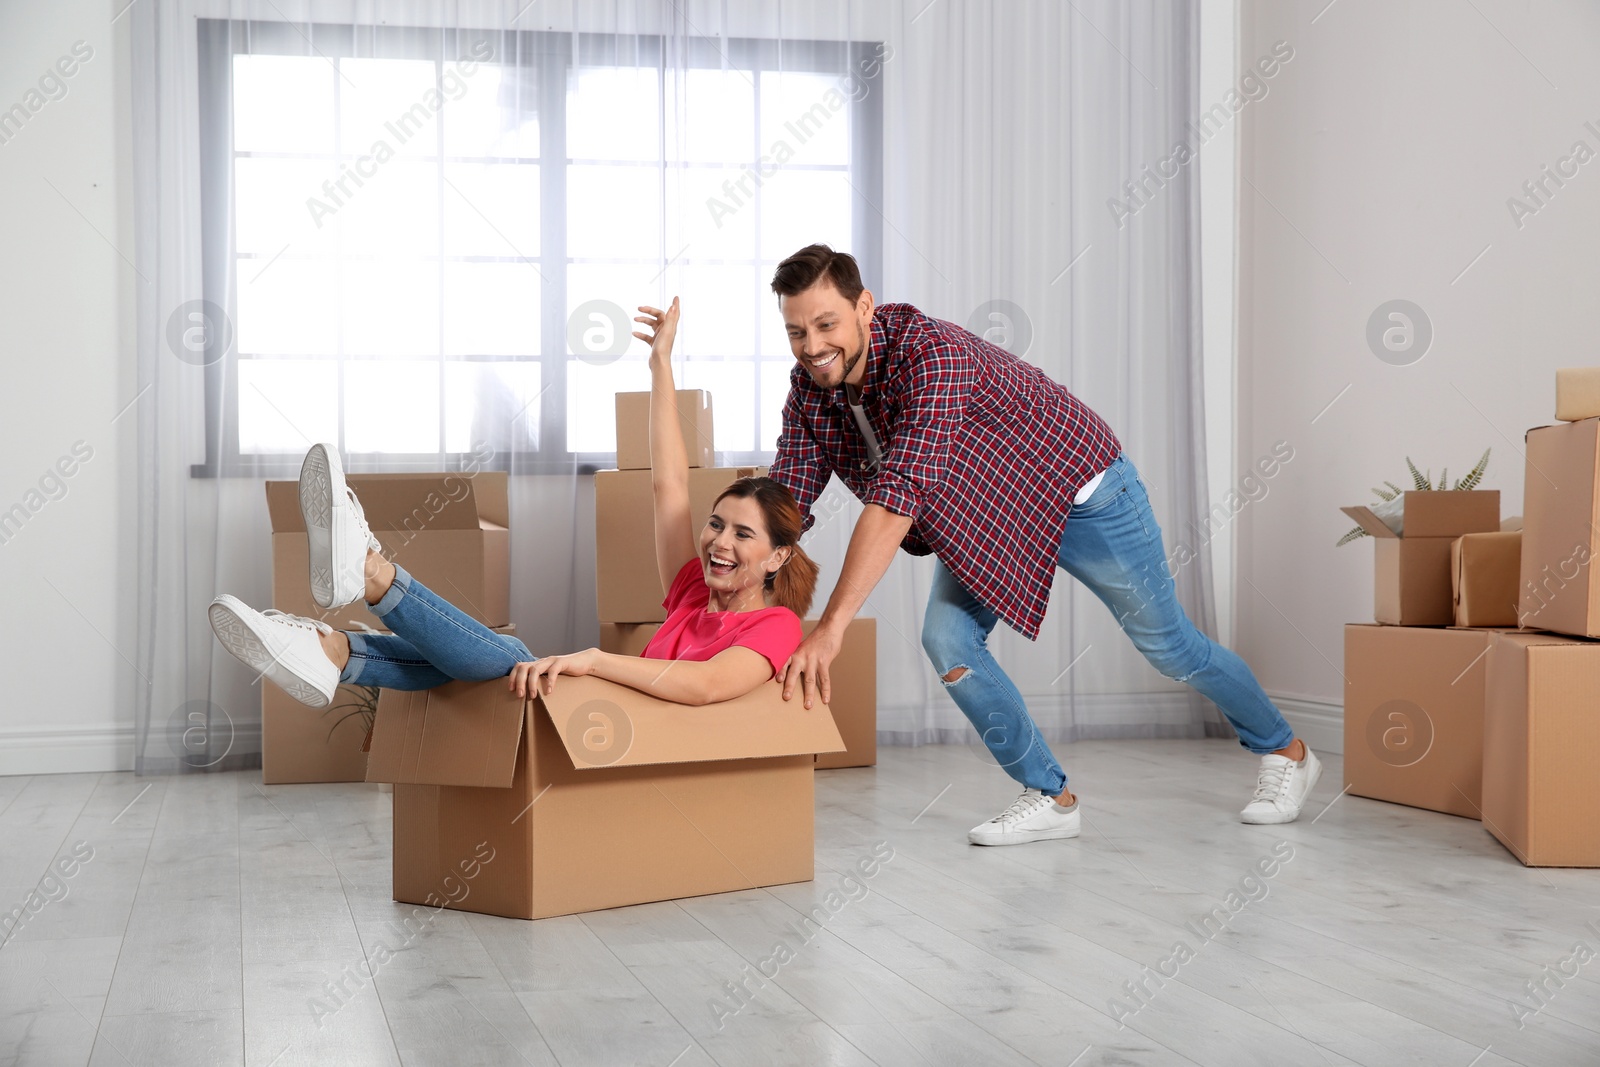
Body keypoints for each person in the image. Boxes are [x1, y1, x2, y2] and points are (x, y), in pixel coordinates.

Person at [764, 244, 1320, 846]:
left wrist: (832, 626)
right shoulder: (808, 388)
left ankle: (1287, 753)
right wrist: (735, 577)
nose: (813, 346)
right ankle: (1050, 798)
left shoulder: (932, 355)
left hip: (1082, 490)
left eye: (826, 324)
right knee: (946, 638)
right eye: (796, 332)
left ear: (863, 307)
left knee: (1169, 648)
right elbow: (785, 498)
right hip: (988, 514)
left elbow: (897, 497)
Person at [209, 299, 818, 709]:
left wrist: (593, 661)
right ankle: (334, 650)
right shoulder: (691, 590)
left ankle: (370, 578)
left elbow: (709, 684)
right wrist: (659, 363)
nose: (718, 541)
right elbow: (670, 487)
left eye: (743, 535)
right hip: (609, 715)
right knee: (484, 663)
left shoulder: (776, 625)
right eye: (717, 525)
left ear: (775, 559)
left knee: (514, 661)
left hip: (634, 737)